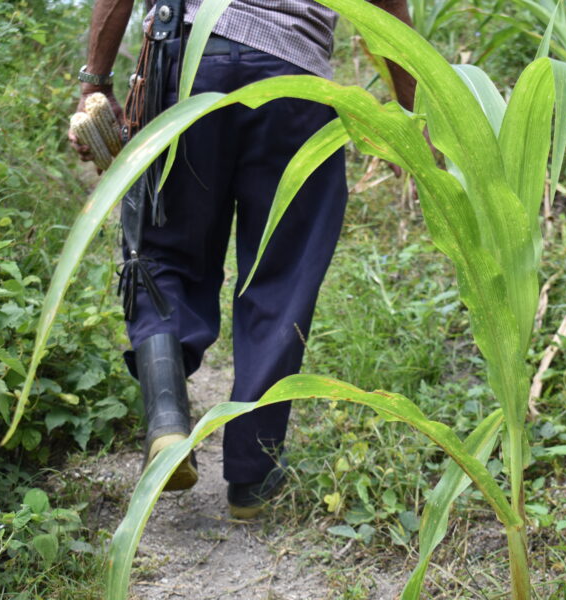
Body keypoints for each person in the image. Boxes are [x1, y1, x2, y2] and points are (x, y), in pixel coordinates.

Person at [68, 0, 415, 518]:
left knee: (163, 250)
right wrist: (414, 116)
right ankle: (252, 477)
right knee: (281, 272)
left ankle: (167, 422)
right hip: (294, 81)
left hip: (188, 63)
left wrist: (94, 82)